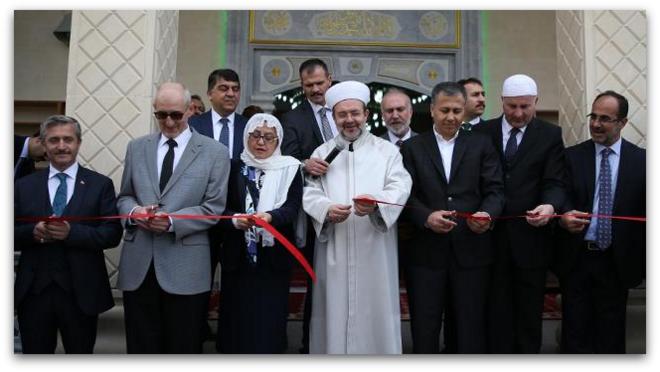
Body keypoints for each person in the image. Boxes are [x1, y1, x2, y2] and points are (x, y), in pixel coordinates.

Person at [116, 82, 230, 353]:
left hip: (186, 267)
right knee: (141, 346)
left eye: (176, 115)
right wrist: (134, 213)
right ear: (155, 111)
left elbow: (213, 208)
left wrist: (171, 221)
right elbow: (124, 196)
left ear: (190, 111)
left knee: (183, 346)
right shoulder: (137, 147)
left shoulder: (214, 152)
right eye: (161, 115)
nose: (168, 122)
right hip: (139, 266)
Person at [302, 80, 412, 354]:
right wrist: (325, 209)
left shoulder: (387, 152)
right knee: (333, 312)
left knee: (375, 311)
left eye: (355, 113)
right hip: (334, 248)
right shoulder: (321, 153)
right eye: (342, 114)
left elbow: (400, 186)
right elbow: (309, 192)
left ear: (366, 114)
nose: (350, 120)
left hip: (374, 248)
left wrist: (377, 206)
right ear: (334, 117)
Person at [400, 82, 505, 353]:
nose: (451, 117)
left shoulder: (482, 145)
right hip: (425, 253)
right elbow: (403, 195)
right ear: (432, 110)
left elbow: (495, 190)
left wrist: (487, 213)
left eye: (457, 110)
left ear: (464, 110)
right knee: (425, 326)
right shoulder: (412, 148)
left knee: (469, 327)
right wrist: (426, 217)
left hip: (471, 250)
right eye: (444, 110)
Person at [14, 115, 123, 353]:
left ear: (78, 143)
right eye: (54, 140)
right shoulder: (23, 186)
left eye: (68, 139)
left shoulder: (100, 184)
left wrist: (71, 233)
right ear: (43, 144)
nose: (61, 146)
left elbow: (112, 234)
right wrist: (32, 232)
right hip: (34, 292)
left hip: (81, 293)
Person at [474, 74, 565, 353]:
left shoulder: (550, 135)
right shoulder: (480, 133)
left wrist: (549, 207)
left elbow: (555, 181)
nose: (518, 113)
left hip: (530, 239)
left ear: (536, 102)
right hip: (488, 238)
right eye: (512, 106)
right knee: (494, 308)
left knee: (528, 311)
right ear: (501, 101)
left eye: (525, 107)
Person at [557, 91, 645, 353]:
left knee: (611, 336)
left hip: (617, 262)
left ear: (622, 123)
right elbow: (559, 195)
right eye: (593, 116)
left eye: (605, 119)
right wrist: (564, 216)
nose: (596, 124)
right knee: (575, 334)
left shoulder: (643, 161)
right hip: (577, 259)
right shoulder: (571, 157)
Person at [216, 113, 303, 353]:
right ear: (246, 137)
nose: (261, 142)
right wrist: (235, 220)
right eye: (255, 135)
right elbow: (218, 206)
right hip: (238, 254)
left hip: (273, 255)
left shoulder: (290, 168)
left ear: (278, 140)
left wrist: (271, 217)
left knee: (269, 315)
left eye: (268, 137)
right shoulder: (234, 166)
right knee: (237, 314)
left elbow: (293, 206)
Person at [281, 58, 335, 353]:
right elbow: (285, 160)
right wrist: (303, 163)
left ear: (330, 79)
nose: (315, 89)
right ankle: (310, 344)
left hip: (348, 209)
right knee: (318, 279)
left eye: (319, 83)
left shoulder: (345, 110)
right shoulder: (292, 118)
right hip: (313, 213)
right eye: (308, 85)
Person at [189, 69, 247, 160]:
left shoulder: (248, 127)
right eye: (224, 89)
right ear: (209, 94)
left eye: (235, 89)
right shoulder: (193, 125)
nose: (231, 94)